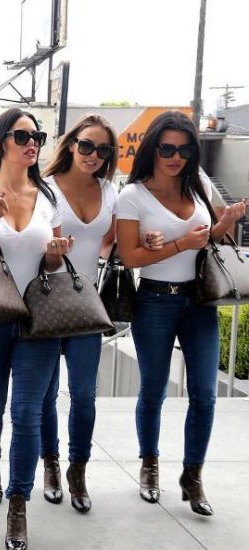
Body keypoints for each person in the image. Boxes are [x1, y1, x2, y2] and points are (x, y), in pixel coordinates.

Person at [116, 110, 245, 516]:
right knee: (154, 390)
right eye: (167, 149)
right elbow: (130, 257)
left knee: (205, 394)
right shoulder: (132, 196)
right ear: (153, 149)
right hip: (155, 300)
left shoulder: (199, 185)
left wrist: (225, 223)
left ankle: (193, 476)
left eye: (185, 150)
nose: (175, 157)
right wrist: (178, 245)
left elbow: (208, 239)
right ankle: (149, 465)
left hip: (199, 301)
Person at [39, 114, 164, 513]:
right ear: (72, 144)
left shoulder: (110, 192)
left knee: (84, 395)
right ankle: (50, 464)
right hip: (44, 300)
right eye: (86, 145)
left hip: (87, 303)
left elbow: (109, 244)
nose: (93, 154)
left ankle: (77, 469)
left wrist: (142, 240)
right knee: (44, 394)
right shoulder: (43, 188)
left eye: (103, 149)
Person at [0, 108, 71, 550]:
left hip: (38, 320)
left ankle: (18, 503)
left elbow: (54, 262)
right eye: (22, 136)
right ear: (0, 143)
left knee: (28, 413)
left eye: (37, 137)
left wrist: (55, 254)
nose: (32, 144)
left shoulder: (48, 196)